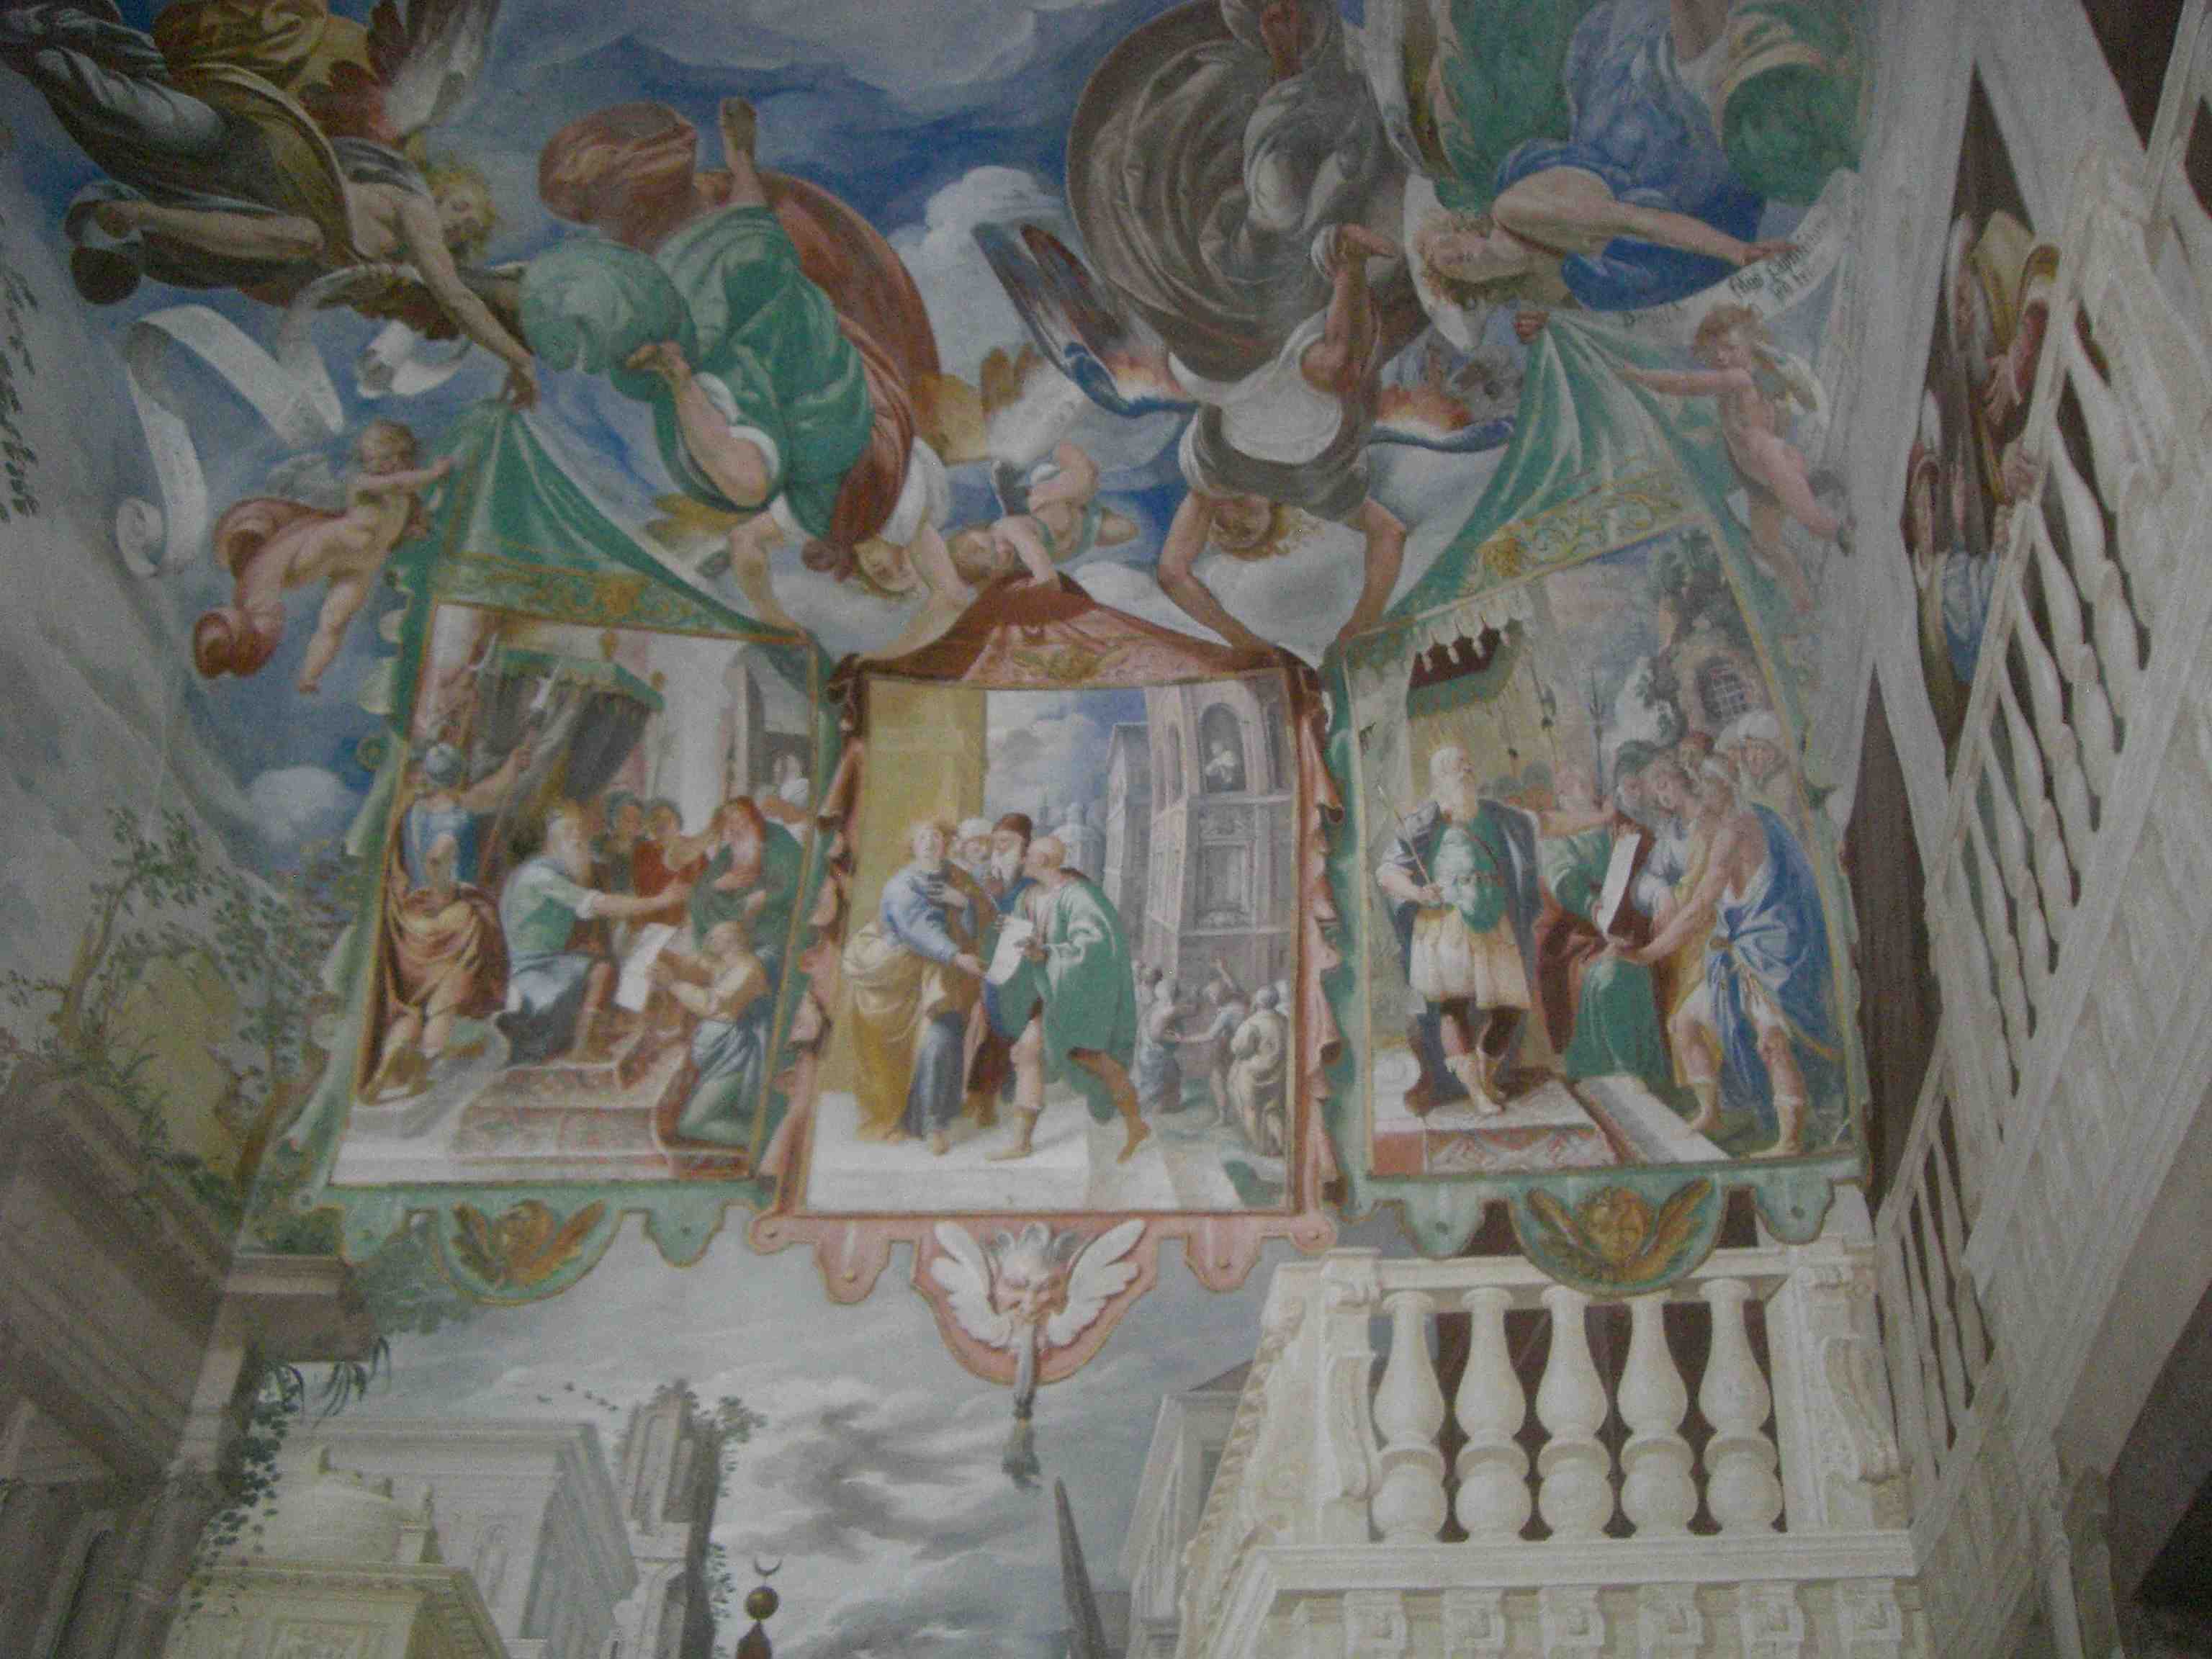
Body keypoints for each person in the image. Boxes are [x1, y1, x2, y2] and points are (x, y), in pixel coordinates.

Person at [526, 97, 953, 636]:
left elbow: (748, 507)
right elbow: (753, 234)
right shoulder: (893, 502)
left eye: (885, 578)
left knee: (735, 276)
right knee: (743, 268)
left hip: (781, 361)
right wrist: (741, 161)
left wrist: (775, 619)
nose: (893, 566)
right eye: (903, 572)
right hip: (817, 374)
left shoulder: (810, 513)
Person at [0, 3, 538, 397]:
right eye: (462, 206)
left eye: (467, 228)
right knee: (140, 114)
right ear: (443, 185)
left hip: (246, 214)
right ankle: (43, 37)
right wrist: (517, 359)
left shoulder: (393, 269)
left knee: (289, 231)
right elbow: (459, 298)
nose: (459, 223)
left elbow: (451, 294)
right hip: (260, 156)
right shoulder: (405, 194)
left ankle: (133, 212)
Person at [1158, 223, 1410, 655]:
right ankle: (1345, 258)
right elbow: (1390, 533)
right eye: (1246, 531)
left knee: (1189, 352)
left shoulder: (1211, 477)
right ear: (1272, 515)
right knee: (1340, 369)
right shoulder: (1319, 495)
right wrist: (1362, 623)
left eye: (1222, 527)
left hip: (1238, 368)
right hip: (1311, 361)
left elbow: (1172, 573)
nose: (1233, 522)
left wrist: (1244, 642)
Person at [1617, 765, 1838, 1155]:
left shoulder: (1732, 832)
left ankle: (1789, 1140)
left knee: (1772, 1039)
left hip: (1766, 954)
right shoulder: (1752, 821)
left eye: (1706, 789)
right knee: (1683, 1022)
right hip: (1743, 950)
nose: (1700, 798)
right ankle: (1710, 1113)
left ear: (1724, 789)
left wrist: (1649, 952)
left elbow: (1700, 906)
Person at [194, 422, 453, 691]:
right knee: (264, 591)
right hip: (318, 550)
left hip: (359, 567)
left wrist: (412, 530)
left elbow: (399, 526)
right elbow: (396, 483)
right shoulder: (365, 484)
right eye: (369, 459)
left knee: (334, 622)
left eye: (383, 457)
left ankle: (309, 676)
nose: (375, 465)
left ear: (401, 455)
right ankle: (235, 634)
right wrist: (434, 473)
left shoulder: (407, 502)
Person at [1619, 306, 1845, 612]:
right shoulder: (1741, 381)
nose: (1722, 357)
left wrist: (1641, 376)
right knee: (1766, 544)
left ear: (1748, 345)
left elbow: (1686, 382)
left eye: (1730, 348)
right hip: (1758, 479)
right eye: (1715, 351)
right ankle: (1804, 602)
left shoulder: (1739, 378)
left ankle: (1842, 531)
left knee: (1810, 519)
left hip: (1772, 463)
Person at [1374, 745, 1542, 1112]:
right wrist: (1418, 892)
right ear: (1440, 779)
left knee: (1510, 1008)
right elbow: (1387, 872)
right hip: (1446, 922)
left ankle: (1484, 1076)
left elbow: (1537, 826)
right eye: (1456, 767)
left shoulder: (1495, 815)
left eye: (1468, 765)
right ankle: (1476, 1092)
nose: (1466, 772)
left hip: (1492, 917)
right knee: (1454, 1007)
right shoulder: (1424, 820)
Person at [988, 835, 1145, 1163]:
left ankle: (1136, 1123)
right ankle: (1022, 1141)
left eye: (1028, 855)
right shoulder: (1029, 896)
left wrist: (1045, 952)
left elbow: (1095, 949)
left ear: (1043, 861)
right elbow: (1025, 940)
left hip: (1079, 995)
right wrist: (1012, 931)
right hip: (1047, 992)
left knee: (1095, 1061)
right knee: (1029, 1051)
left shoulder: (1079, 896)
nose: (1022, 860)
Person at [841, 819, 992, 1151]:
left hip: (945, 975)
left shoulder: (958, 877)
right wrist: (956, 955)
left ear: (945, 843)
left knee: (944, 1039)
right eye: (923, 837)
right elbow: (917, 928)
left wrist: (964, 903)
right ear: (913, 845)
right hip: (902, 977)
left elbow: (986, 916)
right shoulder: (902, 885)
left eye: (936, 836)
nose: (930, 842)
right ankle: (922, 1122)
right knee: (930, 1041)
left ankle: (935, 1122)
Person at [495, 806, 687, 1066]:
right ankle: (582, 1047)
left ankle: (600, 1032)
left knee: (608, 957)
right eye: (569, 832)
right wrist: (660, 901)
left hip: (549, 961)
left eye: (580, 831)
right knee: (602, 969)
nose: (578, 838)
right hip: (534, 970)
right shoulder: (540, 876)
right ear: (550, 841)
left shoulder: (550, 873)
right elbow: (600, 904)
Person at [1531, 769, 1671, 1092]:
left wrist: (1633, 845)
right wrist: (1594, 907)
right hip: (1581, 931)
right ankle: (1616, 1065)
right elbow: (1565, 881)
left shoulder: (1618, 823)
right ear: (1563, 797)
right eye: (1575, 786)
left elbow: (1653, 857)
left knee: (1638, 965)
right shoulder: (1558, 836)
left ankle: (1646, 1065)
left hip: (1630, 920)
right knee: (1610, 974)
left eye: (1587, 783)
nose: (1586, 790)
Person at [368, 829, 507, 1100]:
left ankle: (395, 1064)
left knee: (413, 1014)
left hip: (421, 959)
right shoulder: (465, 907)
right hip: (445, 962)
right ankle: (421, 1064)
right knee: (440, 1007)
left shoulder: (420, 906)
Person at [656, 914, 773, 1147]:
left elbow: (714, 1005)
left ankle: (771, 1141)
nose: (708, 941)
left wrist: (673, 984)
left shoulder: (747, 969)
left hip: (740, 1055)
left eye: (714, 938)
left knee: (692, 1124)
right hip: (723, 1052)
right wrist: (667, 959)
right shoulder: (729, 964)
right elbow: (698, 966)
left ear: (732, 941)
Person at [963, 814, 1037, 1126]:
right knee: (991, 1027)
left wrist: (1006, 910)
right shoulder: (983, 879)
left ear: (1024, 847)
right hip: (990, 963)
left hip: (1024, 970)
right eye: (997, 842)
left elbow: (1040, 922)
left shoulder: (1032, 883)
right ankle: (983, 1099)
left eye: (1007, 842)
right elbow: (970, 924)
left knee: (1014, 1029)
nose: (999, 848)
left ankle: (1005, 1094)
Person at [1178, 972, 1249, 1126]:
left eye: (1212, 995)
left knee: (1217, 1077)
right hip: (1243, 1046)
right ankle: (1231, 1114)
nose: (1211, 999)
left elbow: (1210, 1036)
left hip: (1235, 1049)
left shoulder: (1228, 1012)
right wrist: (1223, 970)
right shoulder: (1241, 1002)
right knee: (1226, 1078)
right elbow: (1235, 987)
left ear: (1220, 995)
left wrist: (1183, 1039)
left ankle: (1223, 1117)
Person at [1226, 985, 1290, 1155]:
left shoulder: (1252, 1023)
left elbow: (1240, 1049)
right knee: (1273, 1111)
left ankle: (1263, 1148)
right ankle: (1285, 1146)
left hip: (1253, 1074)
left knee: (1251, 1110)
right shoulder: (1285, 1021)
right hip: (1279, 1072)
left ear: (1258, 1002)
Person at [1131, 972, 1188, 1117]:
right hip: (1156, 1055)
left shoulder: (1156, 1007)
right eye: (1177, 992)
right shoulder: (1167, 1010)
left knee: (1171, 1077)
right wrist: (1177, 1038)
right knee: (1164, 1081)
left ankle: (1166, 1106)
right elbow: (1156, 1035)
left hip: (1150, 1052)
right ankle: (1159, 1109)